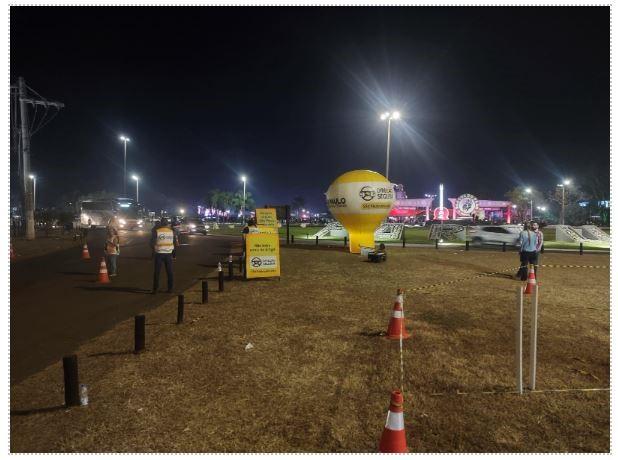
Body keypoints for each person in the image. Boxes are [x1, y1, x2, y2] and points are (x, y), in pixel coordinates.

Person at [150, 217, 178, 294]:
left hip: (159, 254)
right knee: (170, 272)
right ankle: (170, 289)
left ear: (161, 223)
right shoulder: (171, 232)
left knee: (157, 272)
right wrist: (174, 254)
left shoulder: (157, 231)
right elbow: (175, 243)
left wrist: (155, 249)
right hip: (168, 254)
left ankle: (155, 289)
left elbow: (151, 243)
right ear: (167, 223)